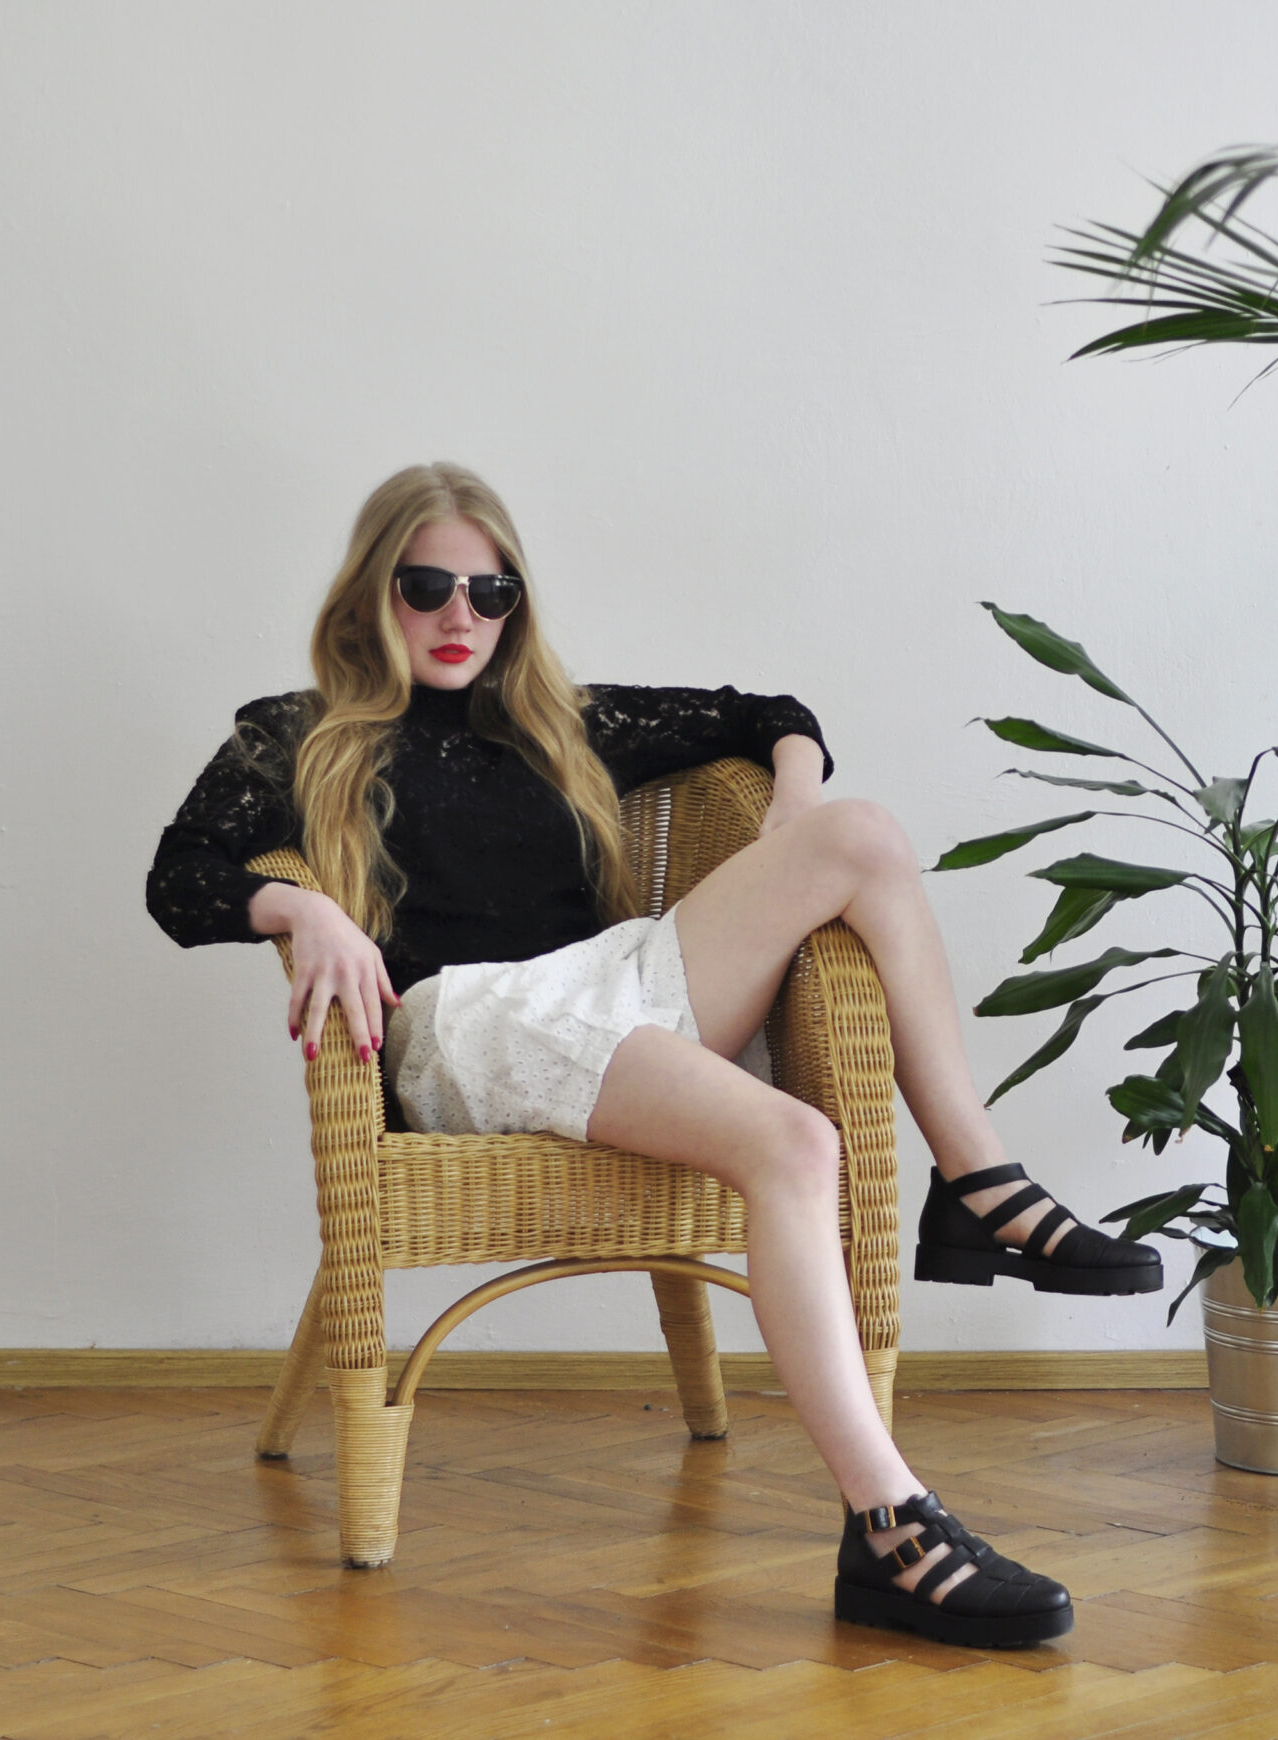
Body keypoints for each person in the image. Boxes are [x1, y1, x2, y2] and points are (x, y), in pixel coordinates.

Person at [145, 462, 1161, 1649]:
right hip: (467, 1022)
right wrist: (302, 911)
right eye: (429, 587)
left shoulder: (560, 720)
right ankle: (891, 1526)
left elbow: (770, 715)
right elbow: (180, 879)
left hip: (617, 986)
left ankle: (979, 1185)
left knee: (864, 838)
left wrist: (791, 809)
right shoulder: (298, 733)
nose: (462, 615)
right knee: (795, 1140)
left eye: (493, 590)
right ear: (373, 593)